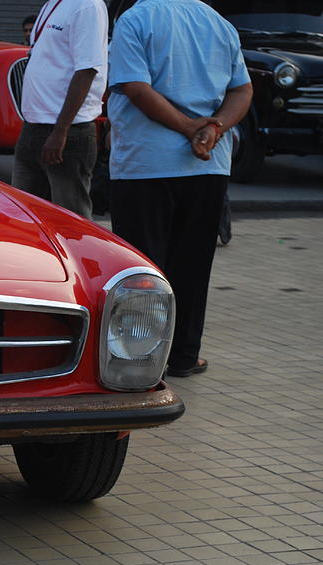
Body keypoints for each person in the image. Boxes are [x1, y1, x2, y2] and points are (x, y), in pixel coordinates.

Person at [107, 0, 252, 377]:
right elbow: (242, 92)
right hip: (208, 167)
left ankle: (136, 358)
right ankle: (184, 356)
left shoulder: (135, 19)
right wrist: (215, 127)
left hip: (145, 166)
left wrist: (190, 128)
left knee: (142, 268)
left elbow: (136, 88)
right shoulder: (218, 22)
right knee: (193, 264)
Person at [12, 0, 108, 220]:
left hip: (67, 132)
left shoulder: (87, 6)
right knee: (23, 217)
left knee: (69, 223)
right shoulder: (53, 4)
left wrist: (60, 131)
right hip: (33, 127)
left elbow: (87, 70)